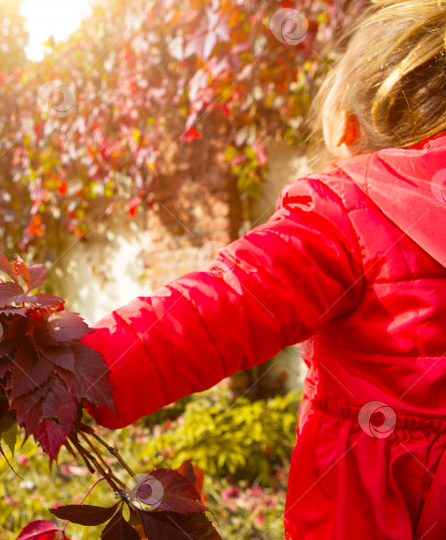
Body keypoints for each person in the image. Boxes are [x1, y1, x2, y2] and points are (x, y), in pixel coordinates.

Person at [80, 2, 446, 538]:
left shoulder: (349, 209)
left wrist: (83, 369)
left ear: (347, 128)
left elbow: (224, 304)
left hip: (375, 508)